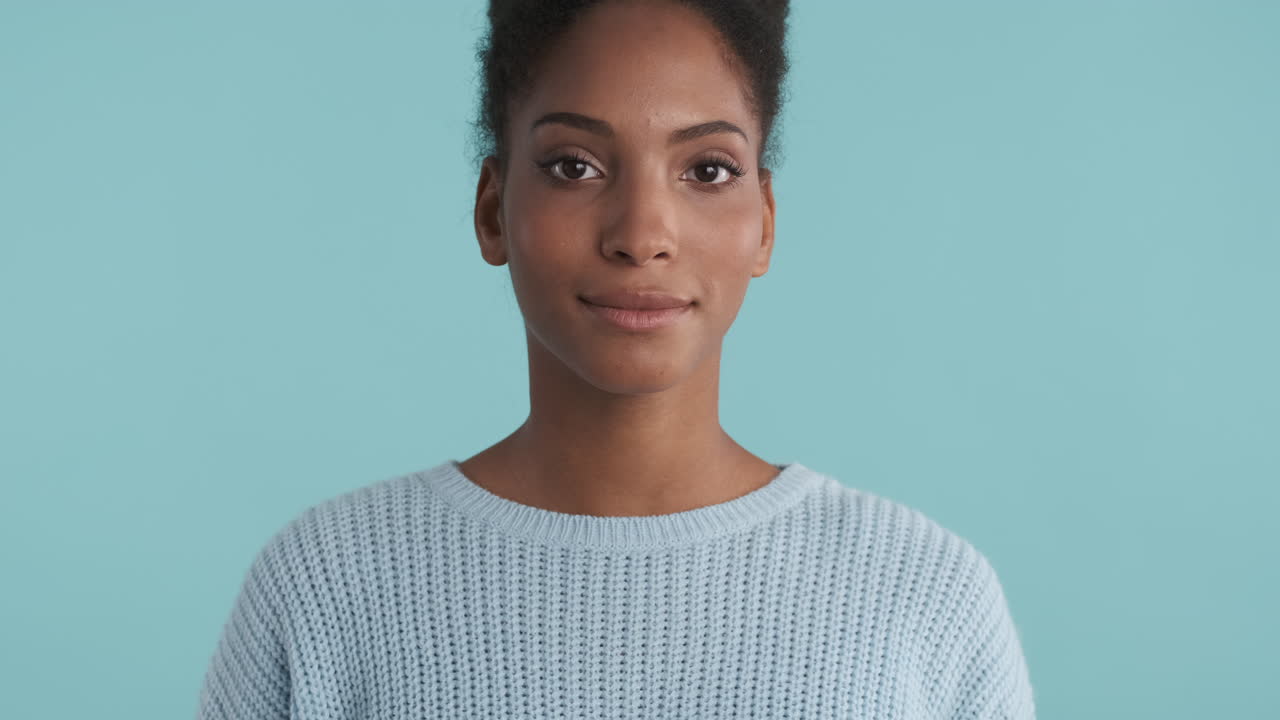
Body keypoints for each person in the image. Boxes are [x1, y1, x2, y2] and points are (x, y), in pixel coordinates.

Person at [195, 1, 1037, 718]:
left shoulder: (925, 595)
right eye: (575, 166)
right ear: (492, 210)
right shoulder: (324, 587)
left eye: (707, 169)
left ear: (765, 224)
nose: (641, 235)